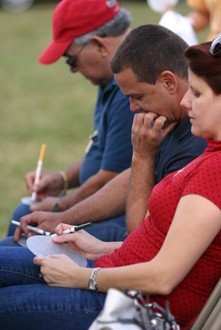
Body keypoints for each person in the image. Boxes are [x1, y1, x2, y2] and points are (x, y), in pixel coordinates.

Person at [1, 25, 220, 330]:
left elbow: (163, 274)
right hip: (117, 278)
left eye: (196, 94)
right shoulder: (207, 151)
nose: (186, 101)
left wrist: (83, 276)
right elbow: (166, 246)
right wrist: (96, 247)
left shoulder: (211, 168)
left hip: (135, 308)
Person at [2, 21, 207, 249]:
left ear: (168, 82)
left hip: (128, 268)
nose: (132, 108)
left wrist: (142, 156)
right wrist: (63, 215)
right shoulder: (170, 119)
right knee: (12, 245)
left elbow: (140, 237)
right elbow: (129, 179)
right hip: (124, 257)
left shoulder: (196, 139)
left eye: (138, 97)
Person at [7, 0, 134, 236]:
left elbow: (113, 178)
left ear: (98, 45)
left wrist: (60, 208)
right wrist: (62, 179)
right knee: (23, 212)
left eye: (70, 59)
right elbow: (102, 153)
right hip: (104, 211)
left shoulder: (128, 89)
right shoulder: (111, 78)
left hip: (117, 219)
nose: (72, 69)